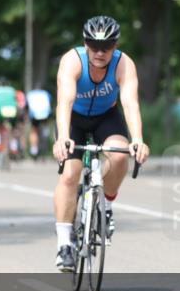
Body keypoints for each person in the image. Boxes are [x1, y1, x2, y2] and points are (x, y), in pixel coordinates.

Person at [52, 15, 150, 271]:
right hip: (74, 119)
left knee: (119, 156)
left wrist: (138, 139)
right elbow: (65, 101)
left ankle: (105, 206)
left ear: (115, 46)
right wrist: (63, 137)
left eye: (106, 47)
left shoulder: (123, 63)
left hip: (106, 117)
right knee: (70, 175)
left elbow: (130, 103)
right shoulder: (72, 60)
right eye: (94, 45)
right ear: (85, 44)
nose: (99, 52)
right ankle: (64, 244)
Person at [0, 77, 20, 158]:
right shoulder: (12, 90)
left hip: (1, 112)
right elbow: (17, 102)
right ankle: (14, 147)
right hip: (13, 111)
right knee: (13, 129)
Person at [26, 84, 53, 159]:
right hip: (45, 114)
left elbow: (26, 105)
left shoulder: (30, 94)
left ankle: (34, 150)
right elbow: (50, 103)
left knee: (34, 131)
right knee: (45, 127)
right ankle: (46, 141)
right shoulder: (46, 93)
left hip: (34, 114)